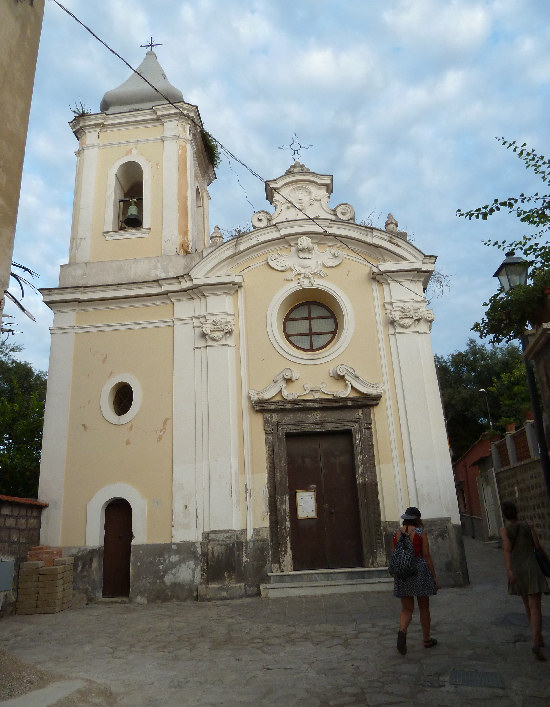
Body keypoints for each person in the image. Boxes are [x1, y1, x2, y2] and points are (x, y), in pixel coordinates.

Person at [499, 501, 549, 661]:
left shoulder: (504, 530)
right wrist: (547, 561)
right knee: (536, 607)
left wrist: (509, 570)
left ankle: (537, 637)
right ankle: (536, 639)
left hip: (517, 569)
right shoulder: (528, 526)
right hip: (532, 568)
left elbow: (507, 550)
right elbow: (538, 547)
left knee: (527, 605)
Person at [393, 506, 439, 655]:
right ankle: (426, 639)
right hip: (419, 569)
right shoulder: (420, 533)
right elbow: (426, 555)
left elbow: (395, 553)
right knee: (424, 607)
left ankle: (402, 631)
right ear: (417, 519)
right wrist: (434, 576)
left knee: (406, 608)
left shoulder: (397, 533)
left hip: (403, 572)